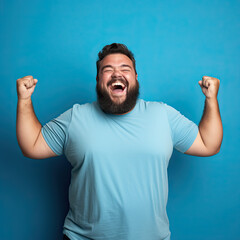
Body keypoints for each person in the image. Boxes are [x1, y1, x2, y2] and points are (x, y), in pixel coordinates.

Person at [16, 43, 223, 240]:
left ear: (135, 78)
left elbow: (208, 143)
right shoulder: (76, 117)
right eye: (108, 69)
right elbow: (33, 145)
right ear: (98, 79)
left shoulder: (162, 115)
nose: (117, 73)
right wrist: (24, 100)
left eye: (125, 68)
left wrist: (211, 99)